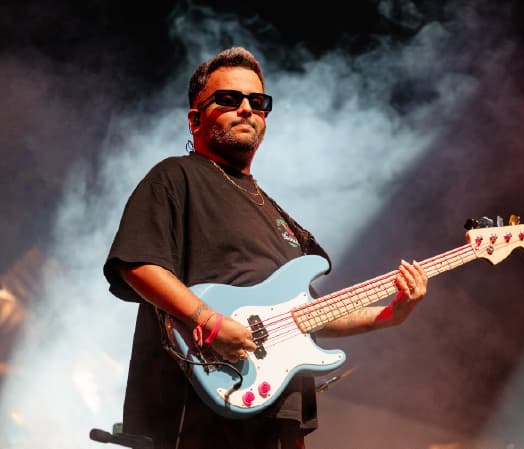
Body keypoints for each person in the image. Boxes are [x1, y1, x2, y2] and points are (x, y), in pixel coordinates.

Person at [103, 46, 428, 449]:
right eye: (229, 99)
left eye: (257, 102)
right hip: (202, 405)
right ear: (195, 119)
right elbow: (137, 263)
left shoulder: (280, 219)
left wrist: (390, 314)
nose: (246, 109)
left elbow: (308, 315)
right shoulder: (175, 176)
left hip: (279, 411)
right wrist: (210, 322)